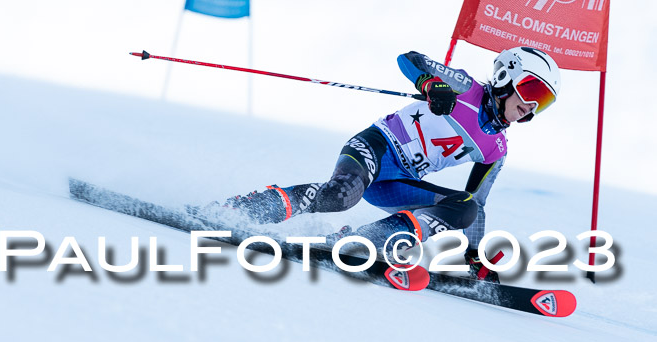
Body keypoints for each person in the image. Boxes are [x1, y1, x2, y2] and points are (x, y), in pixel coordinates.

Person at [222, 46, 561, 282]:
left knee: (466, 207)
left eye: (543, 102)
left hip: (399, 183)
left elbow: (476, 205)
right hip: (377, 147)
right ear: (506, 76)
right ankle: (244, 209)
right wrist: (430, 83)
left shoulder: (497, 149)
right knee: (341, 196)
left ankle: (365, 240)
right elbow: (410, 59)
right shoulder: (465, 87)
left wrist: (474, 255)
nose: (531, 106)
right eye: (531, 90)